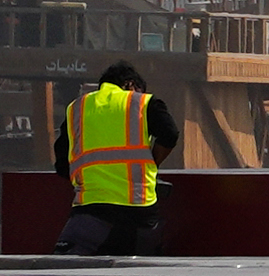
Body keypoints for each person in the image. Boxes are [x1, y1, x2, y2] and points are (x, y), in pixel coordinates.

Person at [50, 61, 180, 256]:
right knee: (142, 275)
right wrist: (152, 164)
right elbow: (170, 134)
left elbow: (62, 166)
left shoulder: (76, 109)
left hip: (91, 211)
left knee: (64, 270)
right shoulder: (144, 103)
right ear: (130, 84)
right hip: (139, 211)